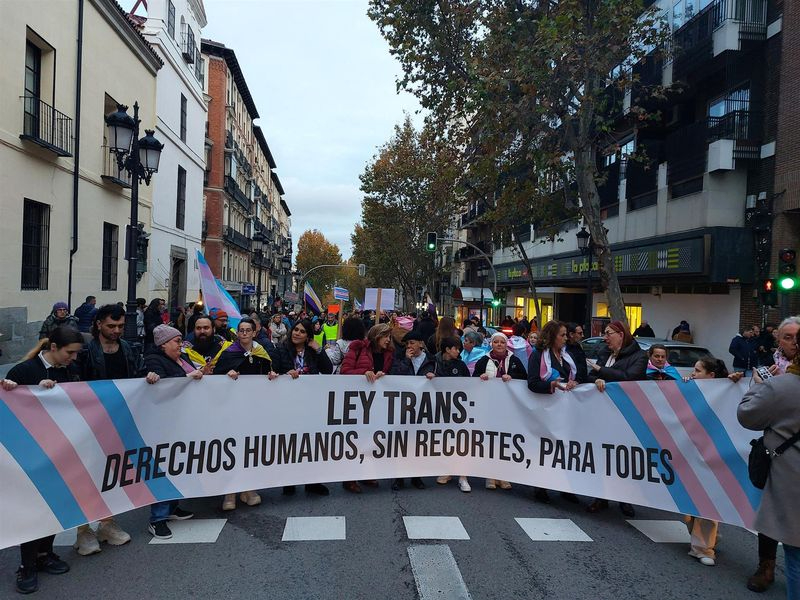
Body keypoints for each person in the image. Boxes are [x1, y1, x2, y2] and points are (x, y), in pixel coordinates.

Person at [4, 326, 85, 594]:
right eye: (69, 353)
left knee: (55, 505)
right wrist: (22, 391)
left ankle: (45, 554)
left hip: (62, 450)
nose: (73, 358)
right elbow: (11, 404)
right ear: (53, 348)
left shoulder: (72, 370)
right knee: (33, 510)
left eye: (76, 354)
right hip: (31, 454)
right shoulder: (24, 371)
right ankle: (26, 565)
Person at [73, 304, 147, 555]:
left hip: (118, 423)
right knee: (84, 476)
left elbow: (137, 376)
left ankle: (107, 523)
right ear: (98, 325)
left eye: (119, 326)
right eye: (111, 326)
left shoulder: (128, 349)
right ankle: (83, 530)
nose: (116, 331)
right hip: (88, 423)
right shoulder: (85, 352)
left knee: (112, 474)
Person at [738, 335, 800, 598]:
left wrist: (760, 386)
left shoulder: (783, 387)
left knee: (796, 555)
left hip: (791, 478)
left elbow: (747, 414)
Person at [682, 357, 743, 566]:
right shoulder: (691, 388)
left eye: (698, 370)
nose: (693, 373)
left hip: (715, 452)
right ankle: (707, 537)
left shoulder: (726, 391)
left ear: (712, 376)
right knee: (689, 501)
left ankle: (704, 548)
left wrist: (734, 381)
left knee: (708, 498)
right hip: (691, 450)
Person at [143, 325, 201, 539]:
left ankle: (172, 507)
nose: (180, 344)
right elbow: (165, 387)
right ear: (163, 344)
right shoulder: (154, 360)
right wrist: (188, 378)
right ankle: (157, 518)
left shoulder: (182, 357)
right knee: (162, 467)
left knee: (177, 465)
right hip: (163, 424)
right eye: (176, 341)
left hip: (181, 421)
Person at [213, 318, 277, 510]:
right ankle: (229, 492)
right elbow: (216, 375)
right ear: (237, 333)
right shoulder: (228, 353)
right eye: (241, 330)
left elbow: (269, 372)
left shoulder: (262, 353)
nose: (245, 334)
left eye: (248, 330)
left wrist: (272, 376)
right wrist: (227, 375)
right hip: (233, 408)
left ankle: (248, 489)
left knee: (251, 448)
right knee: (232, 447)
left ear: (254, 333)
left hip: (254, 408)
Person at [587, 320, 647, 517]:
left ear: (621, 334)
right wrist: (596, 378)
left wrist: (601, 371)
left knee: (624, 457)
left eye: (608, 333)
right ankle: (601, 496)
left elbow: (629, 378)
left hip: (626, 415)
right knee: (603, 454)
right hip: (602, 413)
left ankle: (626, 498)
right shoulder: (605, 354)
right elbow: (589, 376)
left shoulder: (639, 356)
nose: (605, 337)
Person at [271, 319, 332, 496]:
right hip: (288, 404)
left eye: (302, 331)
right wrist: (285, 374)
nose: (297, 333)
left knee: (312, 443)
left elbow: (327, 370)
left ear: (308, 337)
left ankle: (312, 482)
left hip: (310, 403)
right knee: (289, 443)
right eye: (295, 330)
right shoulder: (281, 350)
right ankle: (289, 482)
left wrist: (319, 350)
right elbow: (273, 371)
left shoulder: (312, 352)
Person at [526, 321, 580, 504]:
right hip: (546, 408)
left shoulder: (568, 356)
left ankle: (565, 486)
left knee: (565, 448)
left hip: (566, 410)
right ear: (551, 336)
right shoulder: (538, 355)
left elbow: (580, 377)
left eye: (566, 335)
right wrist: (552, 385)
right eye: (562, 335)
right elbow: (532, 382)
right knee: (546, 447)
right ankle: (541, 485)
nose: (566, 338)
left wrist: (575, 382)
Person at [339, 323, 395, 493]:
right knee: (355, 439)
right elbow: (345, 371)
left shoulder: (389, 354)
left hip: (376, 402)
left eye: (390, 337)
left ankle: (366, 473)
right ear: (377, 336)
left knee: (371, 438)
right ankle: (349, 478)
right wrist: (364, 373)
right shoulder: (358, 348)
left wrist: (384, 377)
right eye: (386, 336)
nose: (388, 340)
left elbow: (393, 373)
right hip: (357, 401)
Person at [474, 331, 527, 490]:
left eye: (502, 342)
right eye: (496, 342)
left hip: (509, 407)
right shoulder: (483, 361)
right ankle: (490, 475)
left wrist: (512, 377)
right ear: (491, 344)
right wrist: (481, 377)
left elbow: (524, 379)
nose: (499, 345)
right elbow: (473, 379)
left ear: (506, 345)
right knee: (491, 440)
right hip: (489, 406)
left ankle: (504, 475)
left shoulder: (515, 361)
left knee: (506, 440)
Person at [388, 329, 436, 490]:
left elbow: (441, 378)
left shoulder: (431, 360)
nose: (410, 346)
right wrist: (406, 361)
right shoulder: (401, 358)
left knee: (418, 442)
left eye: (412, 343)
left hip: (423, 406)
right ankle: (399, 477)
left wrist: (433, 377)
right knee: (401, 441)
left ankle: (417, 476)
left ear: (421, 344)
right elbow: (394, 375)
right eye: (407, 343)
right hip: (403, 405)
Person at [432, 336, 472, 493]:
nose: (458, 351)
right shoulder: (434, 363)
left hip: (458, 409)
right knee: (444, 439)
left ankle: (463, 476)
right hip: (440, 407)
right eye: (455, 348)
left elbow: (469, 385)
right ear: (447, 349)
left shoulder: (460, 365)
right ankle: (446, 469)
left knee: (461, 440)